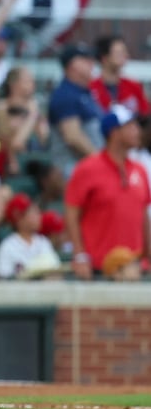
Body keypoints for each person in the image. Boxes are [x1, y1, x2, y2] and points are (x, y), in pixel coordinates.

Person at [65, 105, 151, 279]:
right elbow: (71, 214)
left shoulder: (140, 169)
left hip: (136, 267)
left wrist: (148, 256)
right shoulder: (88, 168)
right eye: (130, 126)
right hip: (99, 267)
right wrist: (80, 255)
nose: (137, 131)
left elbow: (144, 216)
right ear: (114, 132)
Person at [0, 193, 60, 279]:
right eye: (33, 212)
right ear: (19, 218)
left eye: (37, 212)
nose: (38, 216)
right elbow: (2, 279)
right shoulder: (8, 246)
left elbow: (56, 274)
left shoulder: (43, 242)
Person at [90, 35, 148, 117]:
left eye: (125, 52)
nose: (125, 55)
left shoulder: (133, 85)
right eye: (119, 53)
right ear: (104, 57)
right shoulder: (91, 88)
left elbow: (145, 113)